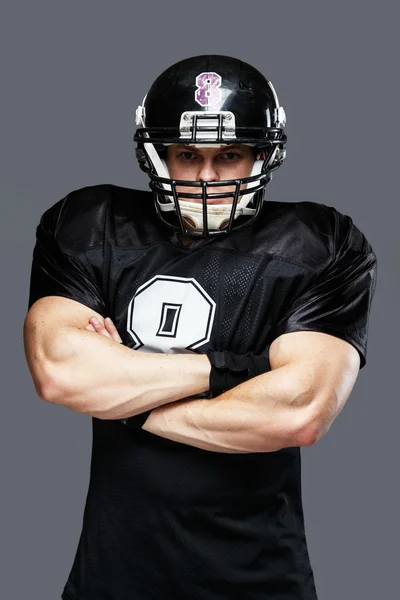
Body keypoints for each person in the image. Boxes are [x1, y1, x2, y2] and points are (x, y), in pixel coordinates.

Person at [23, 54, 377, 600]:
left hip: (259, 581)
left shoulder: (320, 242)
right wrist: (236, 369)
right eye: (187, 155)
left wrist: (123, 398)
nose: (207, 177)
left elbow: (299, 412)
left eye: (229, 155)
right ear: (157, 154)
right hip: (113, 578)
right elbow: (61, 375)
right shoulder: (90, 223)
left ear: (264, 153)